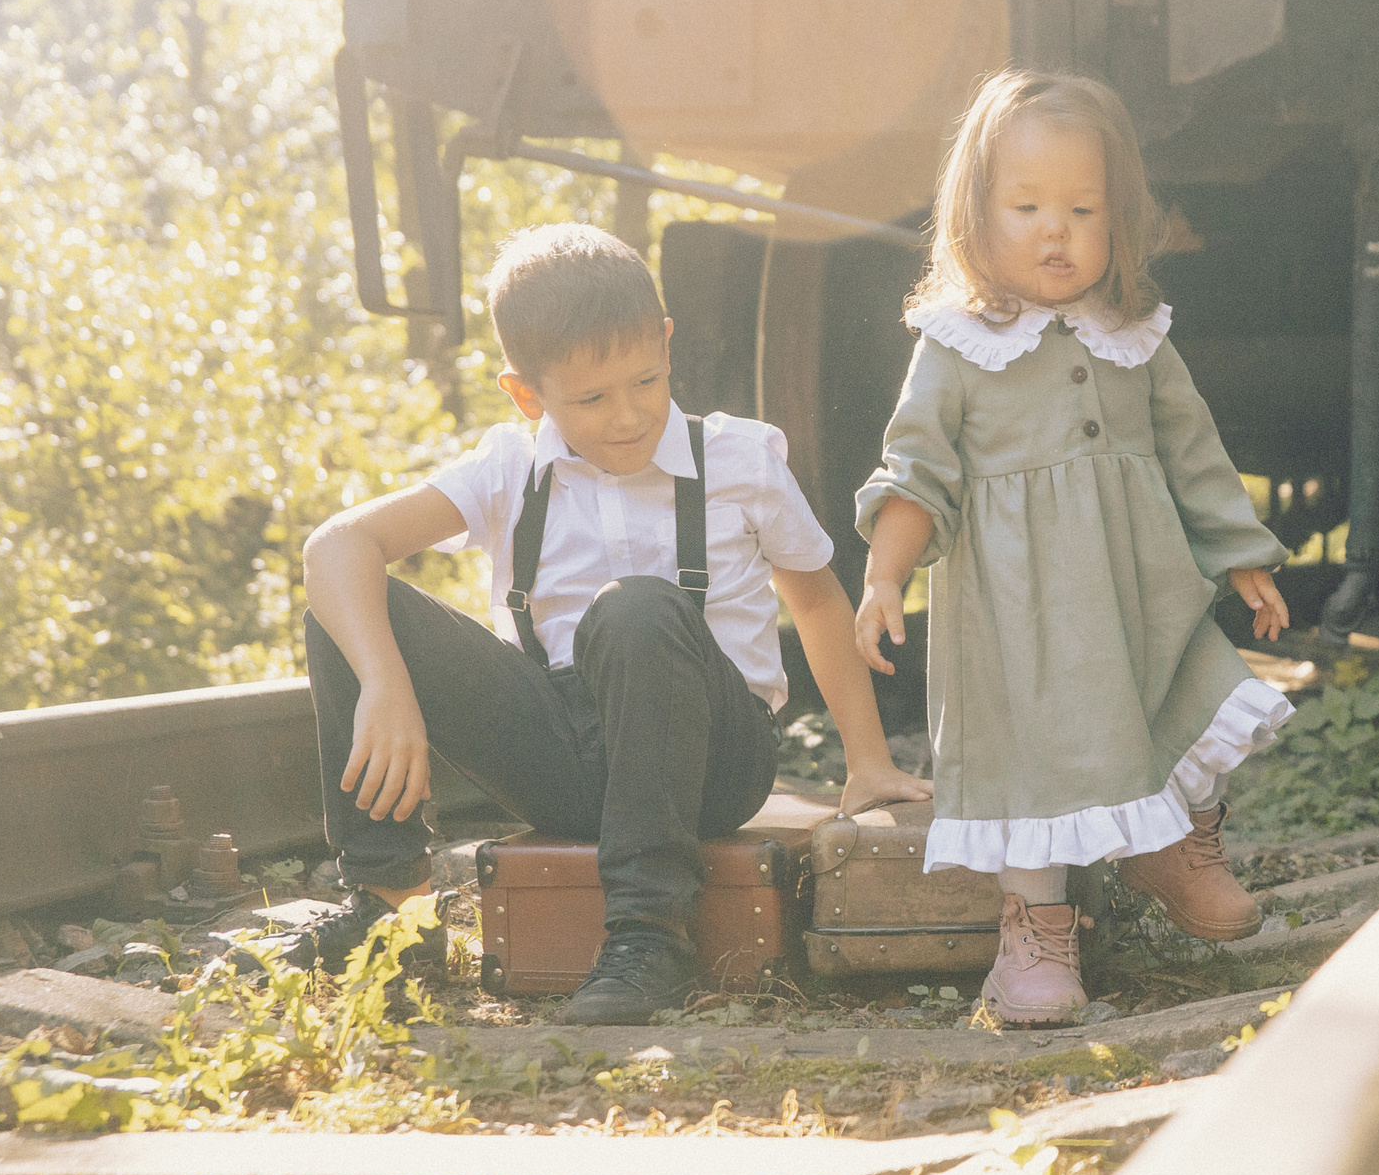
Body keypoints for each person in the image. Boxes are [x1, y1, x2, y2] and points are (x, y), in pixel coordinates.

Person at [291, 223, 927, 1025]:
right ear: (527, 394)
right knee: (348, 602)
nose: (627, 415)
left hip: (711, 760)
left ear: (666, 346)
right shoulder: (507, 468)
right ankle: (390, 908)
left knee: (635, 607)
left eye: (646, 381)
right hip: (565, 757)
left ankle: (649, 934)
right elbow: (336, 544)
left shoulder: (739, 460)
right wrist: (385, 681)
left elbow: (816, 600)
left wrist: (867, 761)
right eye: (591, 399)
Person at [853, 69, 1294, 1026]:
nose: (1056, 229)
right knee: (1034, 765)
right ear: (976, 214)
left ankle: (1174, 844)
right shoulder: (957, 344)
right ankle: (1035, 936)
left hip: (1141, 597)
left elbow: (1194, 449)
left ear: (1120, 219)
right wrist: (885, 574)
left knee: (1196, 687)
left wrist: (1239, 554)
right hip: (1023, 620)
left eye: (1082, 208)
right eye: (1027, 206)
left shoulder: (1134, 333)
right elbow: (915, 470)